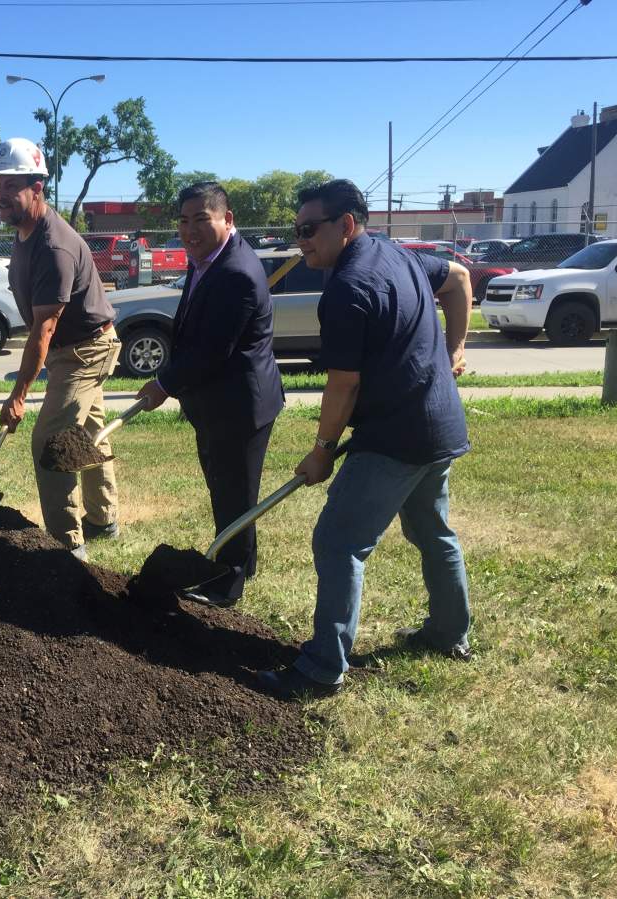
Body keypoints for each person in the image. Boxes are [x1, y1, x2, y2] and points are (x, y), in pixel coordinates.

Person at [256, 179, 473, 700]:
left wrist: (322, 451)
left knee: (338, 541)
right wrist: (454, 352)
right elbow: (460, 278)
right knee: (432, 530)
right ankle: (451, 632)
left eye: (309, 230)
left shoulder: (348, 291)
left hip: (395, 438)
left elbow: (344, 384)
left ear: (346, 225)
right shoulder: (396, 254)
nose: (301, 240)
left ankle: (322, 668)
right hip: (440, 426)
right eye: (296, 230)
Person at [136, 182, 285, 606]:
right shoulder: (205, 262)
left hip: (239, 406)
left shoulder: (235, 272)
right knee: (226, 488)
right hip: (215, 403)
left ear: (227, 219)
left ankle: (228, 583)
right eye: (184, 221)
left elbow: (212, 350)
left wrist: (164, 384)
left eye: (202, 219)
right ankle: (243, 562)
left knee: (233, 494)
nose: (190, 229)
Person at [0, 137, 121, 560]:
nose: (2, 195)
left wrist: (19, 394)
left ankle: (67, 546)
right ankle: (105, 519)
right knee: (88, 432)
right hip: (73, 346)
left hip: (85, 350)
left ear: (37, 187)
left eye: (12, 185)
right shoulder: (24, 232)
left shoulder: (54, 245)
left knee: (51, 441)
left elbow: (44, 328)